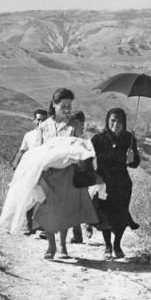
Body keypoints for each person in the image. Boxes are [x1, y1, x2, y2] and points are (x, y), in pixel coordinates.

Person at [34, 88, 98, 259]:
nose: (67, 109)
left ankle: (62, 245)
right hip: (48, 174)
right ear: (54, 105)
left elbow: (79, 147)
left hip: (67, 174)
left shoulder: (74, 125)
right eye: (63, 106)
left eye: (70, 106)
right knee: (48, 208)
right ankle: (51, 245)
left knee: (64, 209)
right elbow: (37, 150)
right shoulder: (43, 127)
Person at [91, 107, 140, 260]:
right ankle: (107, 246)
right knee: (105, 216)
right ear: (107, 121)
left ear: (124, 123)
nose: (116, 124)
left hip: (122, 185)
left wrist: (131, 159)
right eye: (113, 120)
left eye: (119, 121)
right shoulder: (98, 139)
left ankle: (117, 244)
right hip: (104, 184)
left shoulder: (129, 139)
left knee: (120, 216)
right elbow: (87, 157)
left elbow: (135, 164)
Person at [11, 109, 48, 236]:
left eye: (43, 119)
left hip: (45, 168)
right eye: (38, 119)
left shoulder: (50, 135)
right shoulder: (29, 135)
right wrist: (16, 164)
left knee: (44, 196)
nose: (40, 122)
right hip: (30, 168)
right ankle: (29, 226)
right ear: (33, 120)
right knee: (29, 195)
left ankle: (43, 226)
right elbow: (22, 150)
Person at [69, 110, 94, 244]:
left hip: (81, 174)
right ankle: (78, 233)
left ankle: (87, 224)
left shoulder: (85, 139)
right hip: (71, 174)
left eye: (82, 124)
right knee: (73, 204)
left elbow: (90, 156)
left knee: (81, 203)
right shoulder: (68, 137)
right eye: (79, 123)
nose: (80, 126)